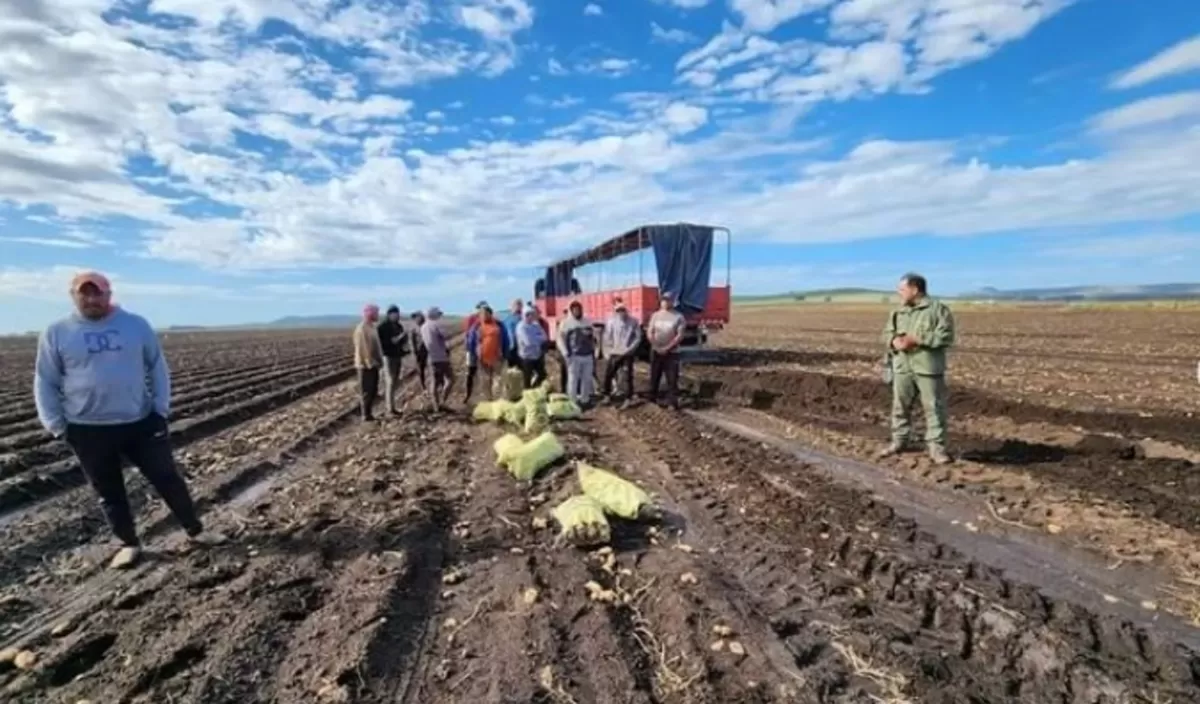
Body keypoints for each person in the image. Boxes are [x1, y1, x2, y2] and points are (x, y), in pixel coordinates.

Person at [33, 271, 226, 570]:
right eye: (84, 293)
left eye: (98, 293)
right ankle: (129, 544)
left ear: (109, 295)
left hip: (139, 422)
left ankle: (196, 530)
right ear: (73, 296)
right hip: (87, 428)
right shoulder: (57, 332)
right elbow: (45, 379)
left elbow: (157, 367)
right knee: (108, 491)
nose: (92, 298)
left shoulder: (135, 326)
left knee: (168, 478)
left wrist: (160, 409)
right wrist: (56, 424)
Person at [879, 273, 956, 465]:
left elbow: (946, 337)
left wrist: (918, 340)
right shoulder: (899, 312)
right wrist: (893, 341)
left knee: (933, 409)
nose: (899, 293)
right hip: (902, 367)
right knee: (900, 407)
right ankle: (899, 442)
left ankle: (937, 450)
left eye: (902, 289)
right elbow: (886, 333)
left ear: (915, 290)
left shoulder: (938, 310)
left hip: (927, 368)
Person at [647, 292, 685, 411]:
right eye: (663, 300)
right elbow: (650, 331)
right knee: (654, 376)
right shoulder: (655, 316)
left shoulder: (678, 317)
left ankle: (672, 402)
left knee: (672, 378)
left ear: (672, 302)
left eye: (668, 300)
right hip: (656, 351)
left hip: (672, 352)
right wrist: (655, 345)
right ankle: (652, 399)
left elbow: (679, 335)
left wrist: (667, 348)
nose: (665, 302)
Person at [601, 299, 643, 407]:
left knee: (628, 376)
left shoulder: (633, 321)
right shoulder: (611, 322)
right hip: (615, 353)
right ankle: (607, 395)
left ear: (626, 310)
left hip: (627, 353)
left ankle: (628, 398)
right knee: (608, 374)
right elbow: (607, 337)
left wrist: (631, 348)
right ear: (616, 311)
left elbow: (638, 337)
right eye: (618, 311)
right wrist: (609, 351)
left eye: (623, 310)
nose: (621, 312)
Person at [465, 305, 510, 401]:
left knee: (498, 379)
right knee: (485, 380)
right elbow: (471, 341)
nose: (483, 316)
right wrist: (474, 354)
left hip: (497, 357)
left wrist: (505, 354)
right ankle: (488, 399)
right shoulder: (477, 326)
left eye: (486, 313)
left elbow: (506, 339)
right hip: (483, 358)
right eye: (481, 314)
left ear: (491, 314)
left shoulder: (499, 325)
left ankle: (497, 399)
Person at [557, 300, 597, 407]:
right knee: (573, 379)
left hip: (587, 355)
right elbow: (560, 339)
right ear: (571, 311)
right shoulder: (566, 323)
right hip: (574, 356)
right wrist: (565, 353)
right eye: (574, 310)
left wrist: (595, 350)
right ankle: (572, 401)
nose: (577, 311)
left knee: (586, 378)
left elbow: (592, 337)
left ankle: (585, 399)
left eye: (578, 309)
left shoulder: (587, 321)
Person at [353, 304, 385, 421]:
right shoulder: (362, 328)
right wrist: (370, 362)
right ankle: (365, 415)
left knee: (373, 389)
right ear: (370, 313)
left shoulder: (372, 327)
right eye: (376, 312)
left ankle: (369, 413)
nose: (378, 315)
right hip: (365, 365)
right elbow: (364, 348)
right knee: (366, 390)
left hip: (373, 363)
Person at [421, 307, 454, 411]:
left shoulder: (423, 327)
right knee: (450, 379)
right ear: (434, 315)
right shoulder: (436, 325)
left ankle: (436, 406)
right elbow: (446, 335)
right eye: (438, 314)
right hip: (441, 357)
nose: (439, 316)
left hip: (431, 357)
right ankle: (442, 402)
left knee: (434, 382)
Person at [377, 305, 408, 417]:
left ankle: (392, 406)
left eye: (398, 313)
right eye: (395, 313)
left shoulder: (399, 326)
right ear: (389, 314)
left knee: (395, 381)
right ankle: (390, 409)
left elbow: (401, 341)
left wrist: (404, 341)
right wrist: (398, 339)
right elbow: (383, 343)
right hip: (388, 356)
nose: (397, 315)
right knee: (390, 381)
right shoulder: (383, 327)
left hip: (397, 356)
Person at [516, 305, 549, 388]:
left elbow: (544, 337)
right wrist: (537, 337)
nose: (530, 316)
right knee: (527, 378)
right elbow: (528, 342)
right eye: (528, 314)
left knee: (542, 375)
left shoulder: (536, 325)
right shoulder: (521, 327)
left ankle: (535, 387)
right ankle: (527, 394)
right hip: (526, 357)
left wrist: (534, 338)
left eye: (531, 314)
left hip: (537, 355)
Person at [462, 300, 486, 403]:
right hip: (472, 349)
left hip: (482, 348)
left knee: (482, 372)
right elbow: (467, 334)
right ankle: (468, 394)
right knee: (471, 371)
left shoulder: (486, 318)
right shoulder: (471, 318)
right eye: (481, 308)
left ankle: (482, 394)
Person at [502, 298, 524, 367]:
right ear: (511, 306)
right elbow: (503, 334)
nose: (517, 307)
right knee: (511, 367)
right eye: (515, 305)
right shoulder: (506, 320)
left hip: (521, 347)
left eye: (519, 305)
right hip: (510, 348)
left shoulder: (524, 318)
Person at [409, 311, 429, 390]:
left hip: (428, 350)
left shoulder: (426, 326)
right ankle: (423, 385)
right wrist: (414, 352)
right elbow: (411, 342)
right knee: (421, 369)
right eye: (414, 318)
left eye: (417, 317)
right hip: (419, 352)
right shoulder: (413, 329)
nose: (416, 319)